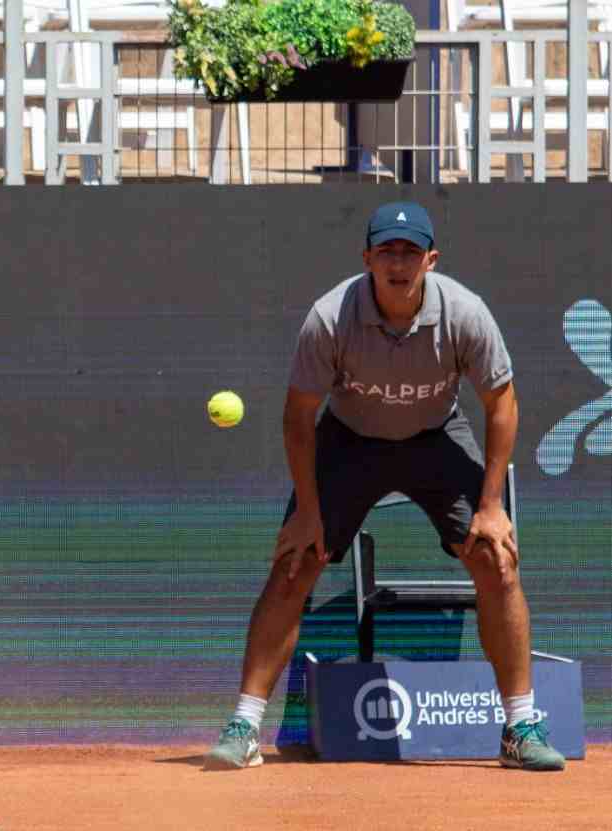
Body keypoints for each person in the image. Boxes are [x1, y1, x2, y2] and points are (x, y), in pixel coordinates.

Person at [204, 201, 566, 773]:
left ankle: (520, 726)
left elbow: (503, 403)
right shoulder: (330, 318)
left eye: (410, 252)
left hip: (435, 437)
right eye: (387, 252)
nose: (399, 263)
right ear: (367, 258)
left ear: (431, 260)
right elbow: (298, 418)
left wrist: (492, 505)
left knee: (496, 558)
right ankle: (245, 726)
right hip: (348, 440)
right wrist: (308, 512)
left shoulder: (465, 314)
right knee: (296, 561)